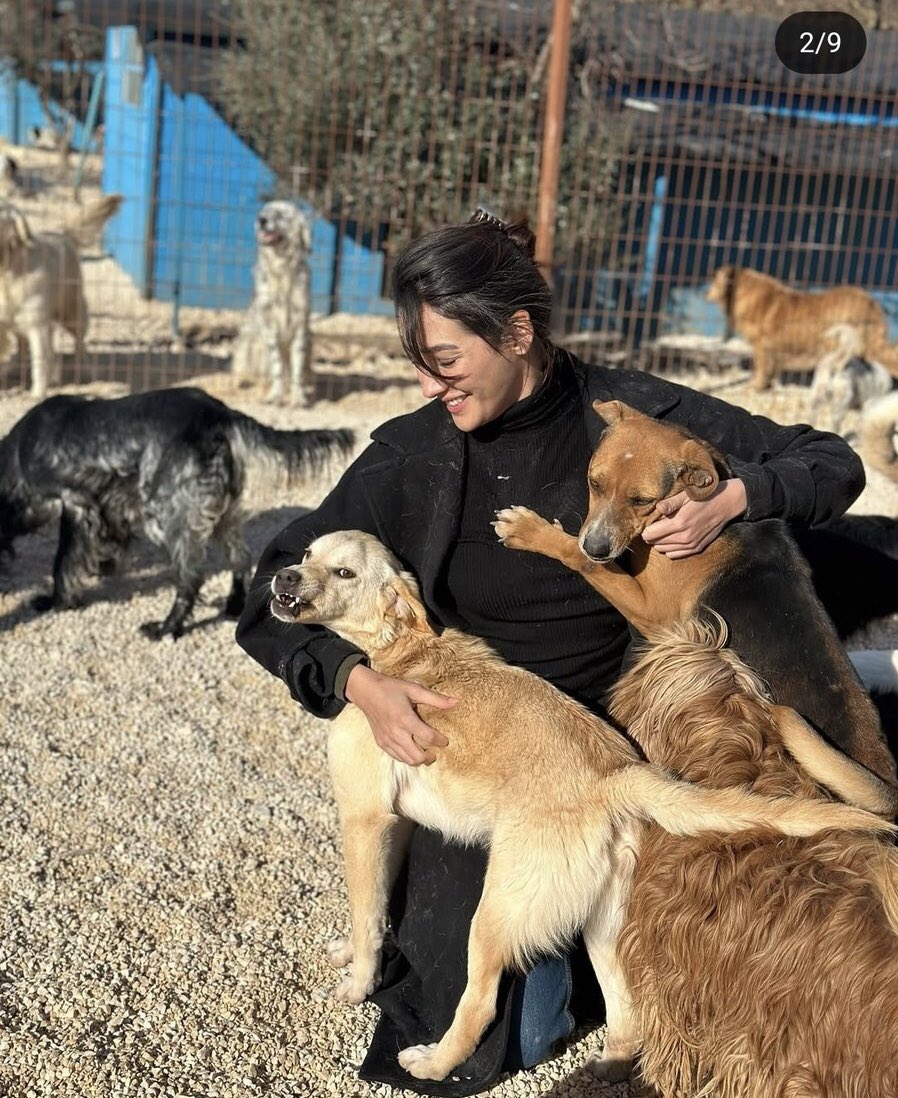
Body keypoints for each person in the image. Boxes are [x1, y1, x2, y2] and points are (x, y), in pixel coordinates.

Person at [236, 209, 870, 1095]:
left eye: (445, 360)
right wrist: (357, 681)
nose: (428, 384)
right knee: (512, 1028)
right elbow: (269, 589)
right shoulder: (413, 453)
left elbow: (831, 460)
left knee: (742, 944)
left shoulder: (631, 417)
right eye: (417, 362)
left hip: (618, 739)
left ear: (518, 334)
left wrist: (733, 496)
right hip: (487, 749)